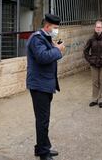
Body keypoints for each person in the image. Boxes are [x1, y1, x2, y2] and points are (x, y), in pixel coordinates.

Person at [26, 14, 65, 160]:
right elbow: (42, 57)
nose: (56, 31)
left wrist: (55, 47)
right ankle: (44, 153)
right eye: (55, 28)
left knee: (42, 119)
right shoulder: (37, 39)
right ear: (47, 26)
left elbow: (47, 53)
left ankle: (41, 147)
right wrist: (58, 50)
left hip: (45, 84)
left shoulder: (45, 38)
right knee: (43, 120)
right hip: (39, 85)